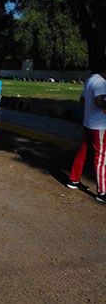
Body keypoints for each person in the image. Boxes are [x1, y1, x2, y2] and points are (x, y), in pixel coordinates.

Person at [67, 56, 106, 203]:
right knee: (101, 157)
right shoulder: (102, 83)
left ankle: (74, 179)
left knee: (83, 151)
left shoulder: (91, 79)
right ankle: (102, 192)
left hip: (88, 122)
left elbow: (82, 100)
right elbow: (99, 102)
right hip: (100, 126)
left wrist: (85, 115)